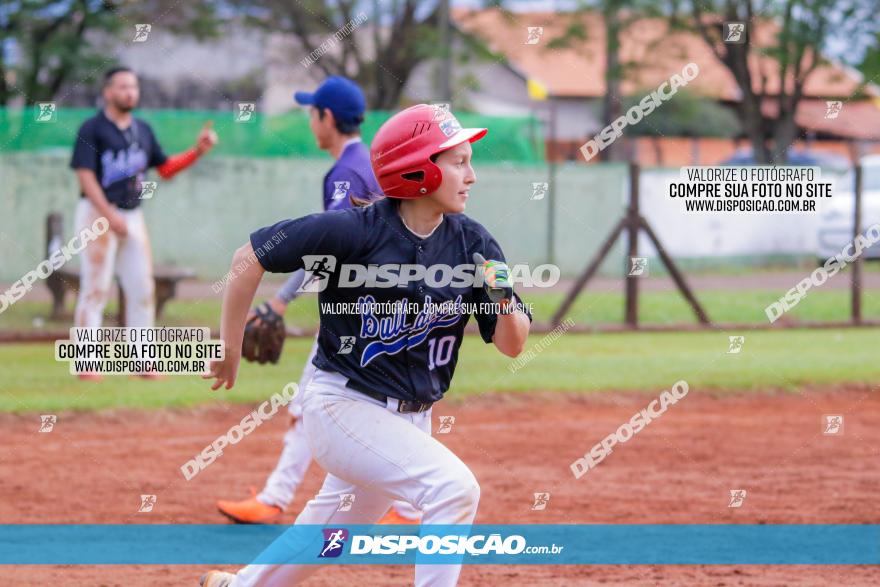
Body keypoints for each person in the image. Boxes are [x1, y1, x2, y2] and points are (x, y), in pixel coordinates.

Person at [200, 103, 531, 587]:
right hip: (343, 406)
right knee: (453, 487)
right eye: (458, 161)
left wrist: (501, 293)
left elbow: (512, 344)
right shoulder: (354, 231)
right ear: (418, 169)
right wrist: (229, 348)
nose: (471, 175)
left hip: (412, 420)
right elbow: (247, 258)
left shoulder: (473, 243)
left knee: (330, 533)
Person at [216, 76, 421, 526]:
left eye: (313, 112)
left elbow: (329, 247)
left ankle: (277, 499)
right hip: (392, 309)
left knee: (314, 398)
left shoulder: (347, 172)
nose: (310, 119)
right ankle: (400, 507)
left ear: (327, 117)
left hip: (358, 313)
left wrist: (281, 301)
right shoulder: (370, 162)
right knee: (383, 401)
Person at [70, 66, 217, 381]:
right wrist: (109, 217)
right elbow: (85, 174)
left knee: (142, 288)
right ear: (107, 92)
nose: (129, 92)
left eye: (133, 87)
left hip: (132, 215)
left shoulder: (142, 130)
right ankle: (86, 363)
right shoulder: (92, 128)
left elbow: (164, 168)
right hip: (98, 214)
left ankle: (143, 361)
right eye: (122, 87)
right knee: (95, 288)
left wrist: (197, 152)